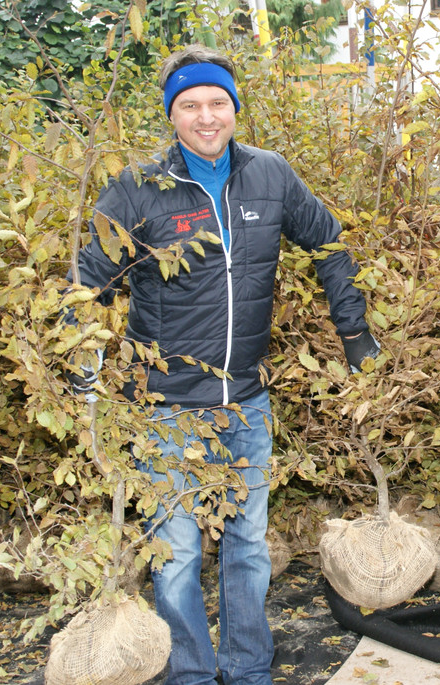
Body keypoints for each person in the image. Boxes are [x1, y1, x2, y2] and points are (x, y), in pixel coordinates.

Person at [67, 45, 380, 685]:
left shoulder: (271, 176)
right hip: (164, 406)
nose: (206, 117)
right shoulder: (138, 189)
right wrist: (82, 374)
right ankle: (188, 674)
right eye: (190, 106)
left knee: (248, 550)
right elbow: (82, 285)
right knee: (177, 555)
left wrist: (355, 333)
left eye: (218, 103)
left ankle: (247, 670)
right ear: (171, 114)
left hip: (247, 397)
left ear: (234, 107)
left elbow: (330, 239)